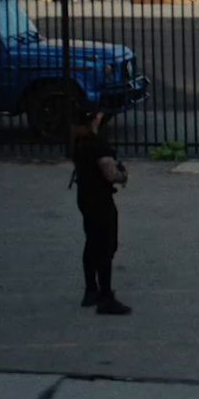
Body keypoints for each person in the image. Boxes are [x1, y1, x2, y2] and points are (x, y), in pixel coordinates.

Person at [70, 111, 131, 315]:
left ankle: (91, 289)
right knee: (106, 246)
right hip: (101, 200)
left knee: (92, 241)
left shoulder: (78, 143)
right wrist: (123, 174)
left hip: (85, 198)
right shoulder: (98, 146)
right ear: (95, 119)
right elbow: (111, 174)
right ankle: (106, 297)